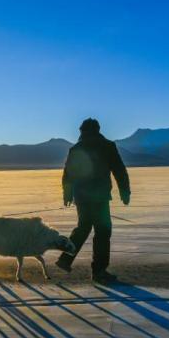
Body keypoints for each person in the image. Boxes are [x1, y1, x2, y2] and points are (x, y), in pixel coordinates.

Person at [55, 118, 130, 284]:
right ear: (98, 129)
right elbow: (119, 170)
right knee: (103, 232)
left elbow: (68, 174)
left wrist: (67, 194)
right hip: (99, 197)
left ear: (82, 131)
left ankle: (65, 259)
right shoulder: (107, 146)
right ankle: (99, 271)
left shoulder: (76, 148)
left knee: (83, 228)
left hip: (82, 197)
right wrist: (125, 191)